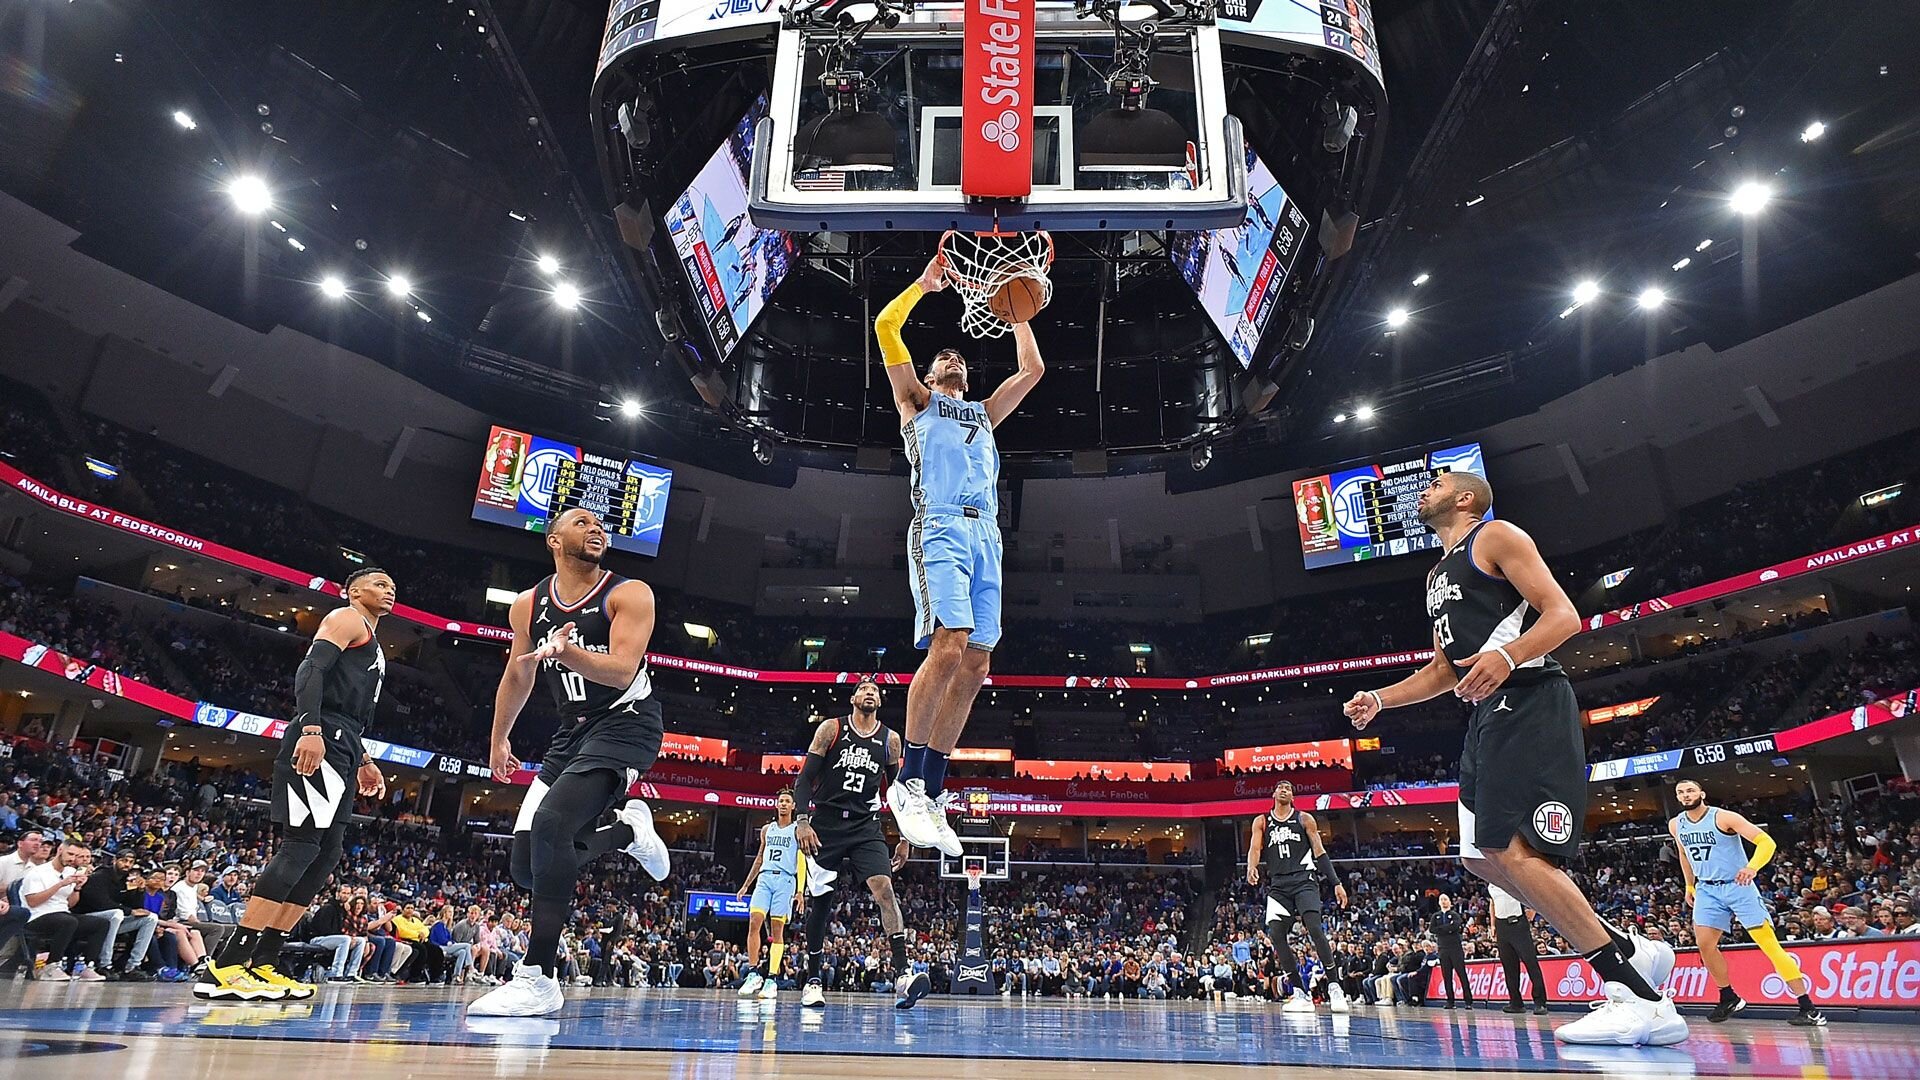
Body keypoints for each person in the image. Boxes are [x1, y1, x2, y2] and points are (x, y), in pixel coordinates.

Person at [1344, 468, 1685, 1047]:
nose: (1423, 492)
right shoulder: (1435, 576)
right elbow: (1445, 671)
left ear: (1466, 497)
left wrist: (1508, 656)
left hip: (1528, 698)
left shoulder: (1495, 536)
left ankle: (1636, 996)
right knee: (1480, 859)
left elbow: (1563, 616)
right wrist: (1381, 698)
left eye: (1434, 484)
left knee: (1513, 850)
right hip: (1486, 715)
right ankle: (1631, 949)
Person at [875, 252, 1046, 858]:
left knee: (976, 664)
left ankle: (933, 788)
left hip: (988, 537)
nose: (952, 358)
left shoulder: (983, 414)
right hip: (941, 528)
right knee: (949, 642)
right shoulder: (916, 402)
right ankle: (905, 784)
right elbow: (885, 329)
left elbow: (1032, 369)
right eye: (943, 356)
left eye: (959, 357)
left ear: (968, 376)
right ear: (929, 370)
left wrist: (1014, 304)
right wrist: (922, 286)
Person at [470, 507, 672, 1018]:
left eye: (601, 524)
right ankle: (627, 835)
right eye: (581, 522)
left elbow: (625, 670)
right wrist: (499, 738)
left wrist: (569, 654)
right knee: (525, 868)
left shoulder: (630, 593)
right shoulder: (528, 604)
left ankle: (538, 976)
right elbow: (519, 674)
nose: (597, 528)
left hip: (626, 723)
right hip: (571, 733)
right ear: (554, 540)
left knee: (553, 823)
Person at [198, 567, 395, 1003]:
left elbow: (348, 707)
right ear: (353, 590)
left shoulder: (374, 640)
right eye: (379, 585)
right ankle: (227, 964)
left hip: (344, 739)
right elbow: (311, 672)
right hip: (321, 733)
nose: (388, 591)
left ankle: (264, 960)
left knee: (327, 853)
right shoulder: (346, 618)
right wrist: (310, 730)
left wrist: (363, 759)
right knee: (301, 846)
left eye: (391, 587)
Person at [792, 678, 923, 1009]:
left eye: (876, 691)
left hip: (866, 825)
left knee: (885, 891)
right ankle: (812, 980)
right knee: (820, 902)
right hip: (826, 824)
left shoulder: (891, 740)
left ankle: (903, 974)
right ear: (853, 698)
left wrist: (905, 836)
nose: (871, 693)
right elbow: (805, 779)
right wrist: (802, 821)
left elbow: (899, 792)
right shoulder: (830, 729)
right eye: (865, 689)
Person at [1669, 778, 1826, 1026]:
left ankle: (1809, 1008)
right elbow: (1684, 855)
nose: (1686, 795)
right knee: (1705, 945)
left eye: (1690, 790)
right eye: (1681, 792)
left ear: (1702, 793)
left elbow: (1766, 842)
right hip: (1707, 889)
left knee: (1769, 946)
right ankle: (1728, 996)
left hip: (1737, 885)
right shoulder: (1676, 824)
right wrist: (1689, 884)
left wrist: (1752, 867)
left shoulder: (1724, 817)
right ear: (1678, 798)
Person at [1246, 780, 1349, 1012]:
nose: (1285, 790)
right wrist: (1251, 866)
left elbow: (1319, 851)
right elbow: (1255, 848)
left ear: (1292, 797)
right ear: (1273, 793)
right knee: (1275, 933)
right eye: (1281, 787)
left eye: (1289, 789)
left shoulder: (1304, 819)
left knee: (1314, 927)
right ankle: (1300, 992)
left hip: (1304, 880)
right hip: (1279, 885)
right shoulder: (1262, 821)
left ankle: (1334, 986)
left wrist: (1336, 883)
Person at [735, 789, 807, 1000]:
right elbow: (759, 858)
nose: (783, 804)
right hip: (765, 878)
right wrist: (746, 885)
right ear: (776, 805)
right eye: (780, 801)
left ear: (793, 806)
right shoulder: (767, 829)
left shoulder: (797, 830)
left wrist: (800, 891)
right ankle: (753, 972)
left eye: (787, 801)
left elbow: (802, 860)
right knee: (754, 921)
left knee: (777, 930)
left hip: (785, 880)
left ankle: (772, 979)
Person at [21, 837, 108, 981]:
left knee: (101, 923)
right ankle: (51, 966)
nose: (72, 859)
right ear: (60, 850)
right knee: (68, 921)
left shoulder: (69, 871)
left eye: (76, 856)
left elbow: (70, 904)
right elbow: (32, 902)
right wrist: (60, 884)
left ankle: (86, 966)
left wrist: (77, 888)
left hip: (62, 914)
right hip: (37, 916)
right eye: (70, 854)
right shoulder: (38, 872)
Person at [74, 848, 157, 981]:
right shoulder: (100, 875)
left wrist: (140, 891)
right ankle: (105, 965)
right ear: (115, 860)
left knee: (151, 918)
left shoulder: (126, 880)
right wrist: (129, 911)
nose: (127, 865)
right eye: (124, 861)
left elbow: (136, 907)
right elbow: (100, 902)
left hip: (113, 921)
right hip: (89, 917)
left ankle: (132, 967)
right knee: (117, 914)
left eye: (130, 862)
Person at [1489, 884, 1549, 1015]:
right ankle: (1516, 1002)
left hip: (1518, 923)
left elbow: (1531, 891)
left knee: (1530, 963)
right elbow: (1492, 903)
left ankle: (1540, 1002)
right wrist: (1492, 925)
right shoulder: (1491, 883)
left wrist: (1533, 910)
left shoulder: (1511, 876)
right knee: (1508, 966)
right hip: (1501, 926)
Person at [1430, 893, 1472, 1009]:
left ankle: (1468, 1001)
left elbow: (1456, 926)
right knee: (1446, 976)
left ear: (1450, 902)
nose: (1443, 901)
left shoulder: (1454, 914)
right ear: (1439, 902)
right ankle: (1450, 1001)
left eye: (1445, 899)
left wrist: (1442, 929)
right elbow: (1432, 929)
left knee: (1461, 974)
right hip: (1443, 948)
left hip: (1455, 948)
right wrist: (1448, 928)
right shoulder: (1436, 916)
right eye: (1441, 900)